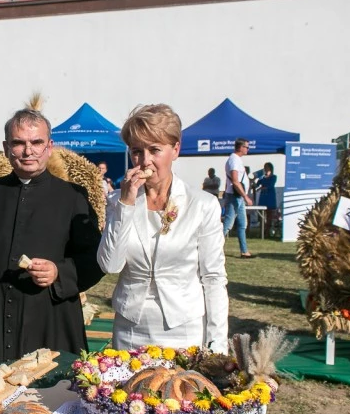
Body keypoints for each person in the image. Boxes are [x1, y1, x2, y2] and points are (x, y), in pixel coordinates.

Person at [0, 108, 105, 370]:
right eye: (19, 143)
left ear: (49, 147)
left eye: (36, 142)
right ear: (6, 148)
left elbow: (95, 259)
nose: (28, 151)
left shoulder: (73, 197)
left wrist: (59, 273)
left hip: (50, 322)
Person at [97, 104, 228, 353]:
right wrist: (125, 204)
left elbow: (213, 278)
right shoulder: (117, 200)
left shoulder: (202, 205)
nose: (145, 161)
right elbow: (110, 265)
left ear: (175, 149)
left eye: (155, 150)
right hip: (130, 328)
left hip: (185, 328)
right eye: (137, 152)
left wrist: (217, 344)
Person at [222, 138, 254, 258]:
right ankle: (213, 247)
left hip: (237, 197)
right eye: (246, 147)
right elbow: (235, 181)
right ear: (240, 147)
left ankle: (244, 250)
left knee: (242, 224)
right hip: (235, 196)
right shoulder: (234, 160)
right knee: (228, 225)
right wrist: (246, 197)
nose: (247, 149)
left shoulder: (236, 160)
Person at [254, 162, 278, 237]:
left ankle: (267, 231)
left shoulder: (274, 177)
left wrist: (262, 187)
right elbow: (256, 185)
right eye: (264, 167)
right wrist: (255, 178)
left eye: (266, 167)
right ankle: (262, 231)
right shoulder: (262, 177)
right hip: (263, 197)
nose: (265, 169)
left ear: (270, 168)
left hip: (270, 197)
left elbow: (270, 185)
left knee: (269, 215)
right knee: (261, 215)